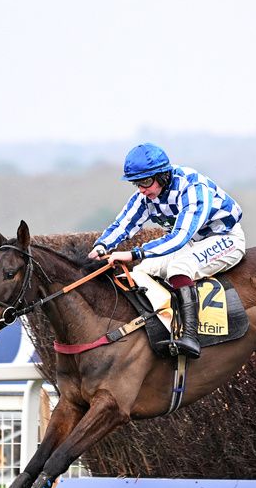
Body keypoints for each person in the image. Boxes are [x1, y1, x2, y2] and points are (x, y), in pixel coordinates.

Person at [88, 143, 246, 359]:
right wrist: (101, 246)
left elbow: (181, 236)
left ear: (162, 176)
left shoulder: (192, 187)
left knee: (179, 268)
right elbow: (123, 225)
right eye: (137, 183)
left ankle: (190, 336)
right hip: (192, 243)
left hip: (225, 238)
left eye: (145, 182)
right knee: (141, 271)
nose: (142, 189)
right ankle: (165, 325)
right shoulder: (146, 197)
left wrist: (134, 253)